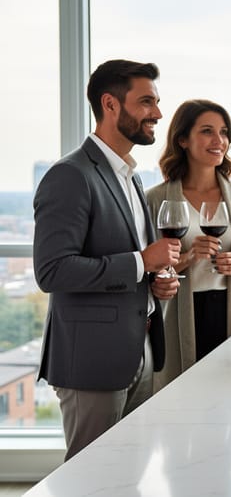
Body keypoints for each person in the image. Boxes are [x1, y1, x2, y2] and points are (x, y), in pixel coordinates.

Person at [33, 59, 181, 461]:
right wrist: (140, 261)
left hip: (140, 349)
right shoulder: (70, 175)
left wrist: (156, 282)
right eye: (146, 101)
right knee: (88, 477)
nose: (157, 113)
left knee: (126, 472)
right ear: (111, 104)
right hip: (92, 360)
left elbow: (139, 263)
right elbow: (52, 271)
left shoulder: (131, 176)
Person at [146, 99, 231, 391]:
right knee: (183, 409)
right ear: (183, 140)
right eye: (207, 131)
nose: (219, 141)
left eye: (224, 132)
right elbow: (146, 270)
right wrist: (187, 258)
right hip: (178, 317)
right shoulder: (155, 199)